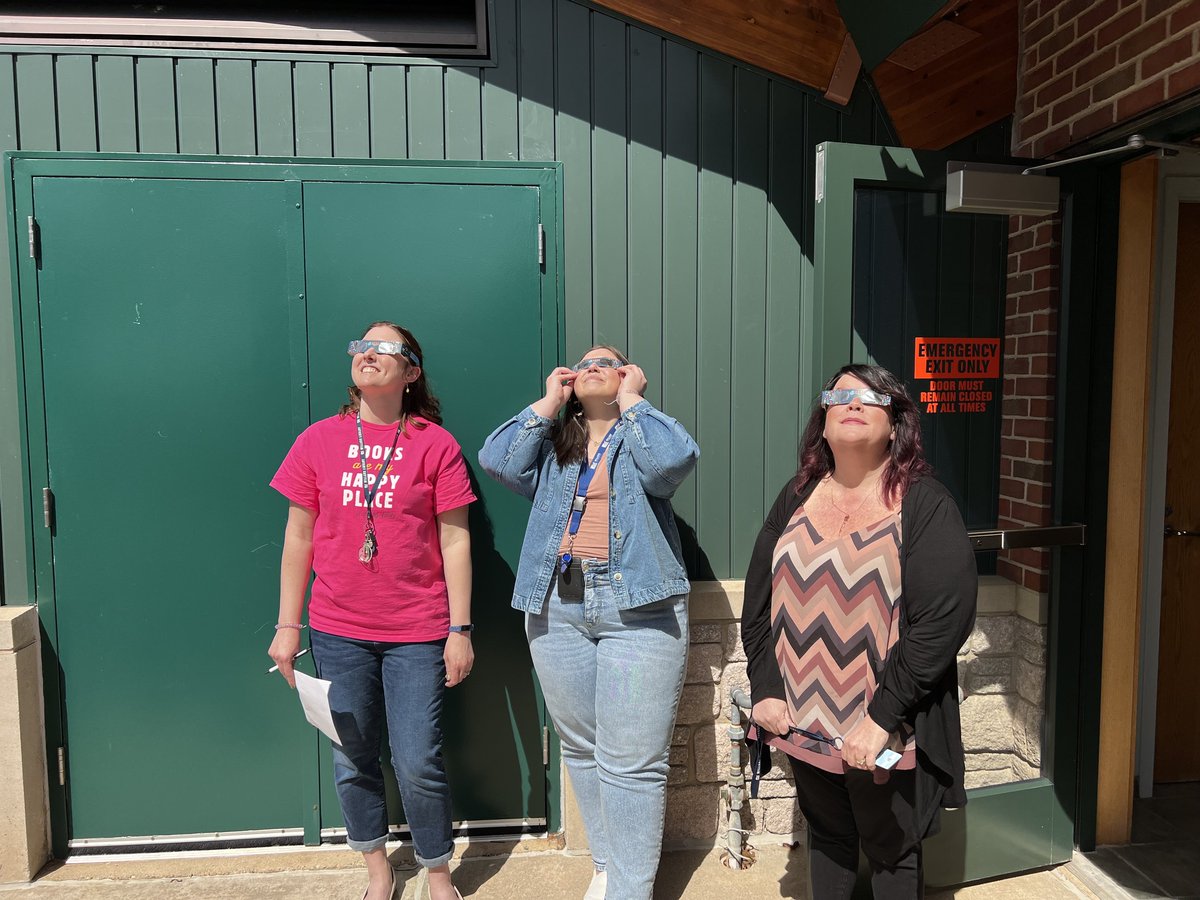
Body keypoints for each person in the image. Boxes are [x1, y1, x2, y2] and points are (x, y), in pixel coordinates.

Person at [741, 364, 976, 899]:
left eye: (870, 396)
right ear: (822, 424)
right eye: (839, 395)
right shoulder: (798, 494)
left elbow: (943, 620)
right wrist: (766, 687)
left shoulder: (923, 502)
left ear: (896, 424)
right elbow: (757, 603)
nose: (853, 402)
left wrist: (881, 717)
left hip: (885, 727)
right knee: (827, 837)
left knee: (892, 852)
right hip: (802, 721)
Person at [478, 346, 699, 900]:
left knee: (633, 763)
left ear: (627, 375)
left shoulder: (641, 437)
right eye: (584, 362)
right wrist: (550, 401)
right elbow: (498, 460)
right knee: (580, 746)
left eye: (608, 361)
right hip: (556, 607)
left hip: (638, 611)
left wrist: (632, 401)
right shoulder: (556, 446)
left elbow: (674, 463)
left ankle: (629, 890)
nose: (592, 364)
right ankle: (607, 865)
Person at [268, 322, 474, 900]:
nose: (368, 354)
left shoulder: (435, 444)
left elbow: (456, 542)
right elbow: (298, 539)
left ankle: (437, 874)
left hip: (417, 631)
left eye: (387, 348)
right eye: (361, 344)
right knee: (353, 756)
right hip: (338, 630)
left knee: (417, 760)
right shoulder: (317, 441)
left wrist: (459, 629)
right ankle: (379, 874)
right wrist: (289, 627)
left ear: (411, 373)